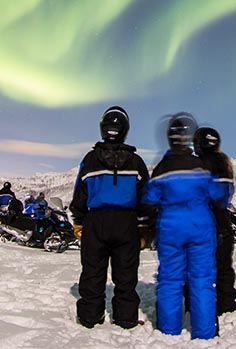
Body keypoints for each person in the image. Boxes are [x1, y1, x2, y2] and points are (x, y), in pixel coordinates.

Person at [144, 113, 226, 340]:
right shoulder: (201, 166)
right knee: (201, 280)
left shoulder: (161, 168)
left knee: (170, 279)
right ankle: (205, 333)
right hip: (200, 227)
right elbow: (218, 194)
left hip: (170, 229)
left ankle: (169, 331)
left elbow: (149, 198)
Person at [70, 106, 150, 330]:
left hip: (96, 222)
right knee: (126, 274)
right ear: (125, 130)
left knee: (92, 272)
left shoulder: (91, 159)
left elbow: (80, 193)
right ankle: (125, 318)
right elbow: (147, 198)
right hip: (127, 223)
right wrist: (144, 229)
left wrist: (79, 221)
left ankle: (90, 317)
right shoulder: (136, 162)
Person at [194, 126, 236, 315]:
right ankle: (226, 304)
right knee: (223, 266)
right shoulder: (225, 164)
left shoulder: (196, 166)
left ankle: (197, 306)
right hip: (223, 220)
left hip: (202, 220)